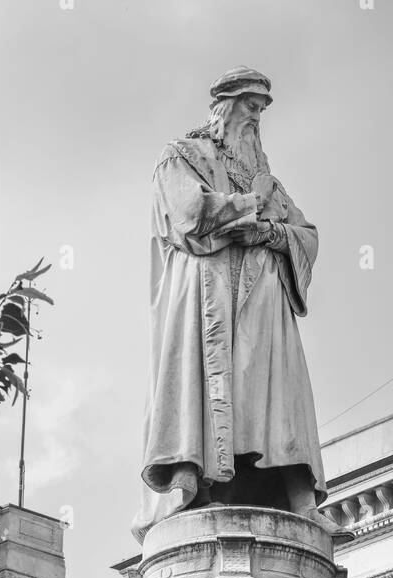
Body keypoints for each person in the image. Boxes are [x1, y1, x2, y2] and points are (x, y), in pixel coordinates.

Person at [134, 67, 329, 541]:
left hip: (264, 306)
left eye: (261, 110)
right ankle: (186, 476)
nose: (256, 118)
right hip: (205, 299)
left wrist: (267, 230)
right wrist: (248, 203)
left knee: (273, 396)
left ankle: (298, 494)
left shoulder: (269, 182)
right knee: (202, 388)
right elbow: (190, 215)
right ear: (223, 105)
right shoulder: (181, 156)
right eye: (250, 106)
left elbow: (307, 236)